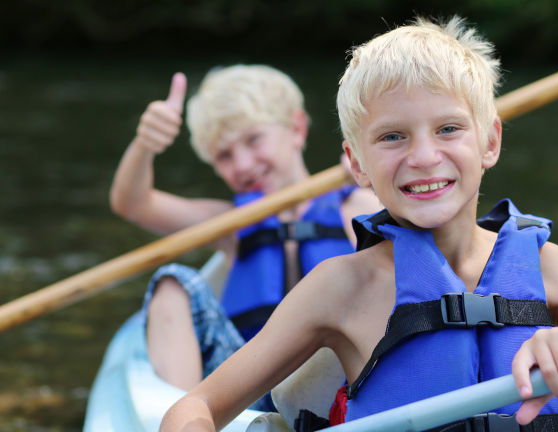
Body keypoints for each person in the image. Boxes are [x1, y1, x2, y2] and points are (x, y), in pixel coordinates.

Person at [159, 18, 558, 431]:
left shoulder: (550, 269)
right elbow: (196, 406)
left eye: (449, 129)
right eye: (392, 137)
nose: (424, 157)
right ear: (356, 163)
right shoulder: (341, 287)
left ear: (490, 141)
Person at [109, 64, 380, 409]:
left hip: (335, 376)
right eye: (224, 155)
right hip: (246, 385)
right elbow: (133, 203)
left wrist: (371, 175)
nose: (242, 164)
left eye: (253, 140)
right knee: (171, 283)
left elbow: (409, 249)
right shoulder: (229, 225)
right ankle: (181, 417)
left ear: (296, 128)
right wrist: (145, 145)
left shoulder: (356, 202)